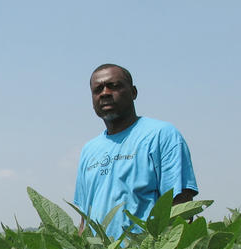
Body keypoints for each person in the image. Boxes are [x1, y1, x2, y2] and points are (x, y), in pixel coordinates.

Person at [74, 64, 198, 240]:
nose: (105, 93)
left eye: (114, 86)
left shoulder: (162, 135)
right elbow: (84, 219)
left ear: (133, 92)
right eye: (98, 89)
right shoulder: (89, 149)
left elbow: (180, 208)